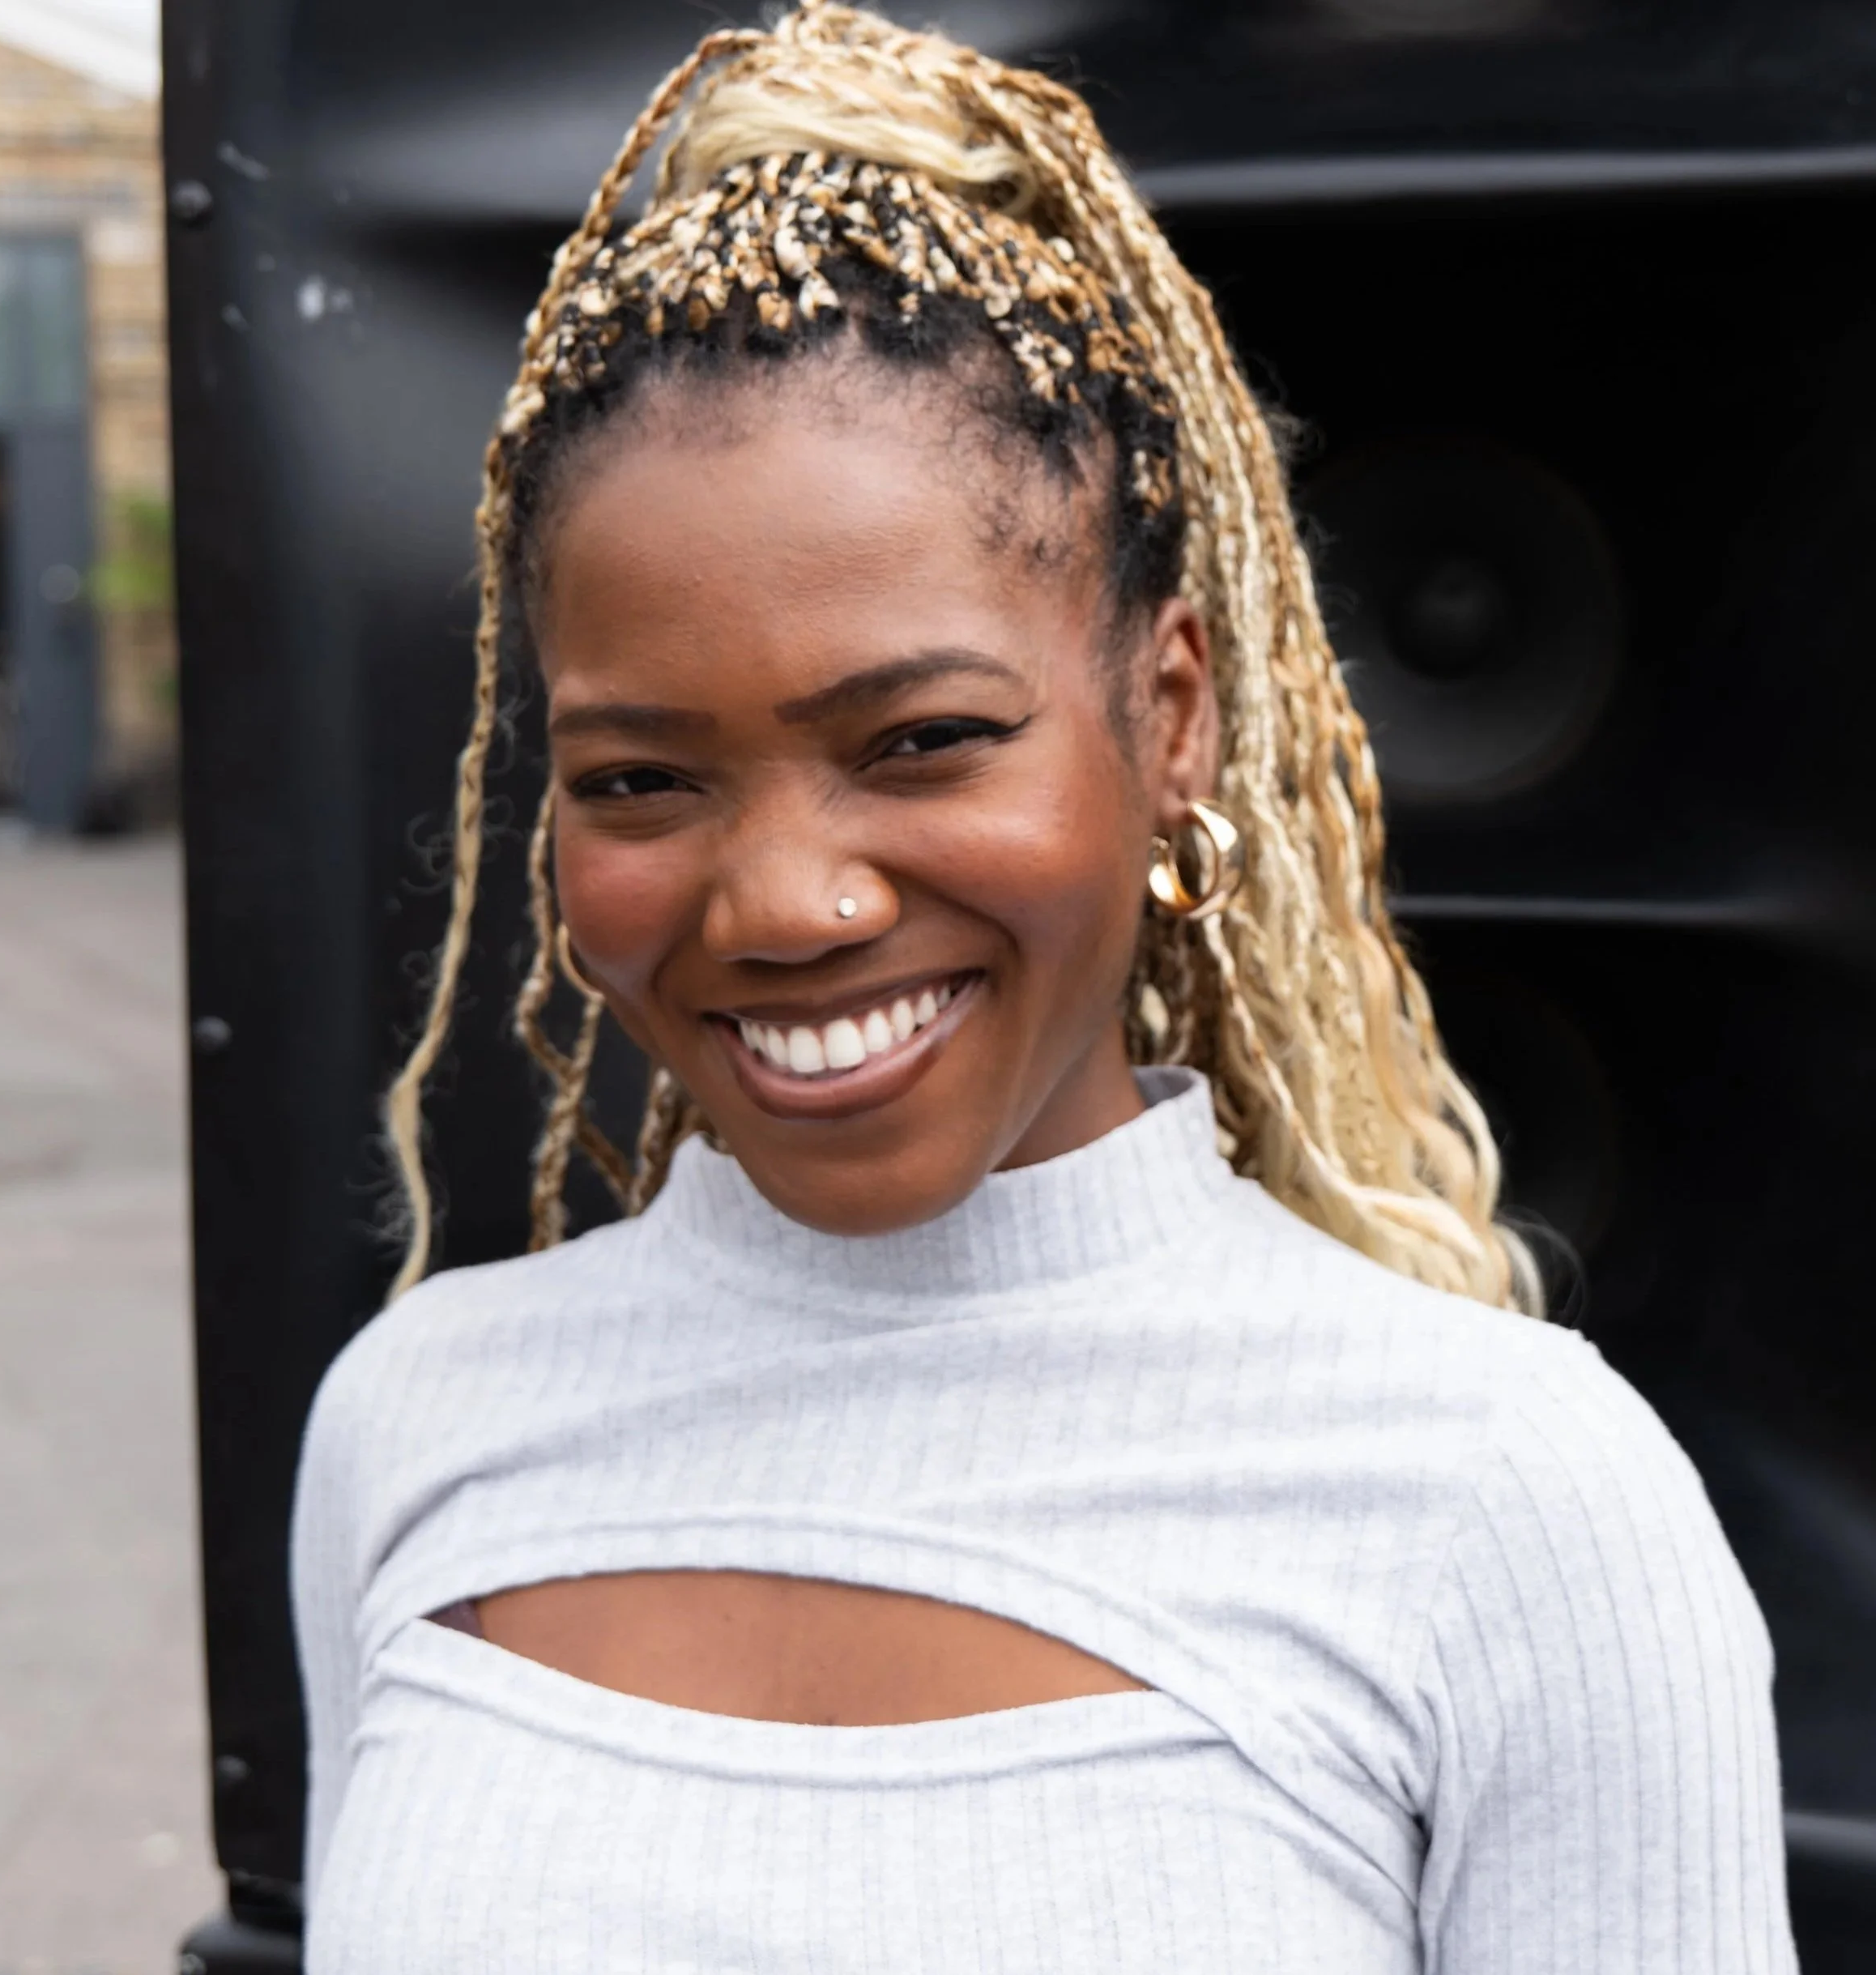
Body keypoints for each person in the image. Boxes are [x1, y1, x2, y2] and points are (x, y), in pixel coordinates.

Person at [290, 5, 1794, 1968]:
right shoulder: (418, 1423)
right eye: (642, 780)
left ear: (1164, 713)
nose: (789, 900)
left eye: (919, 741)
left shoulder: (1508, 1501)